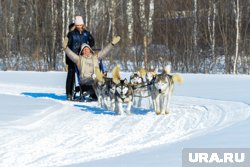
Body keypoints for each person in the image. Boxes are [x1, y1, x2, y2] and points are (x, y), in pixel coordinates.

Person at [63, 36, 121, 100]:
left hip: (96, 79)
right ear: (82, 51)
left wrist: (112, 44)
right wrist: (65, 48)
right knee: (94, 83)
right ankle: (94, 96)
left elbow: (104, 51)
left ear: (90, 50)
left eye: (87, 49)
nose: (86, 51)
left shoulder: (96, 57)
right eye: (84, 50)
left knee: (108, 82)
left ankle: (115, 95)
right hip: (85, 80)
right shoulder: (79, 59)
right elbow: (71, 55)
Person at [65, 16, 95, 100]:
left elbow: (92, 41)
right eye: (77, 25)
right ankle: (69, 93)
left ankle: (88, 90)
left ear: (83, 24)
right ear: (75, 25)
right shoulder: (71, 33)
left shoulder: (86, 33)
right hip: (72, 57)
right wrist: (67, 45)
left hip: (83, 57)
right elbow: (67, 43)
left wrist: (87, 48)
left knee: (85, 73)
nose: (79, 26)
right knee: (71, 75)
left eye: (80, 25)